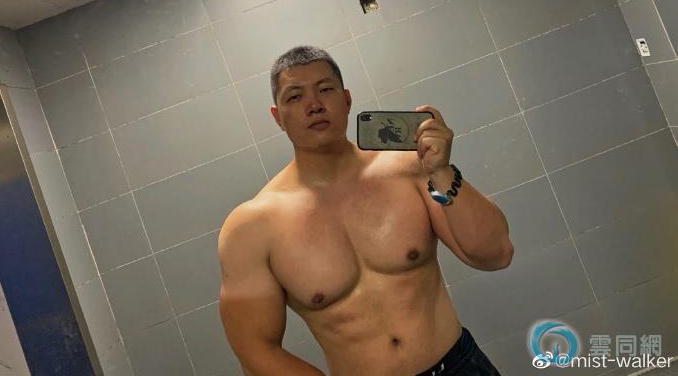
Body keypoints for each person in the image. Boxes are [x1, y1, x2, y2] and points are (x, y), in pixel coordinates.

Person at [218, 45, 513, 375]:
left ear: (346, 100)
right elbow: (255, 349)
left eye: (325, 90)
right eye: (295, 97)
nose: (314, 105)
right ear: (278, 117)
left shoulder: (409, 168)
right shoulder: (253, 226)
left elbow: (496, 254)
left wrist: (442, 171)